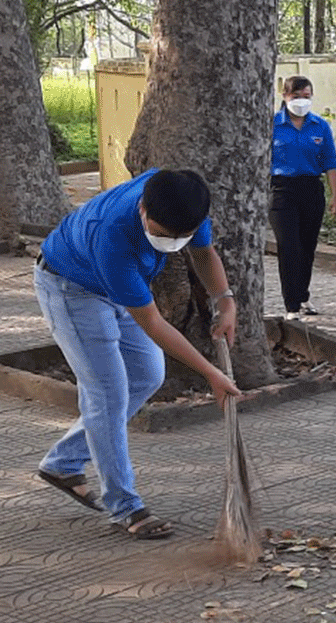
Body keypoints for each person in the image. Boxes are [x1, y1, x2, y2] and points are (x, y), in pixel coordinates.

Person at [33, 168, 241, 539]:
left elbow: (204, 252)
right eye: (162, 236)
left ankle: (63, 463)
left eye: (181, 237)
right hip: (70, 288)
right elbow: (154, 324)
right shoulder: (112, 233)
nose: (172, 243)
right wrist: (212, 373)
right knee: (106, 393)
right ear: (143, 209)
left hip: (116, 287)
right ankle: (125, 506)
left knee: (148, 374)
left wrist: (225, 301)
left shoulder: (184, 203)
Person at [270, 75, 336, 320]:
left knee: (307, 246)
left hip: (311, 188)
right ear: (285, 96)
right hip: (281, 190)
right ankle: (291, 305)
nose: (301, 101)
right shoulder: (272, 125)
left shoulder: (319, 126)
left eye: (306, 97)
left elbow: (331, 162)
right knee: (288, 246)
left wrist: (335, 196)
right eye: (296, 96)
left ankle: (302, 295)